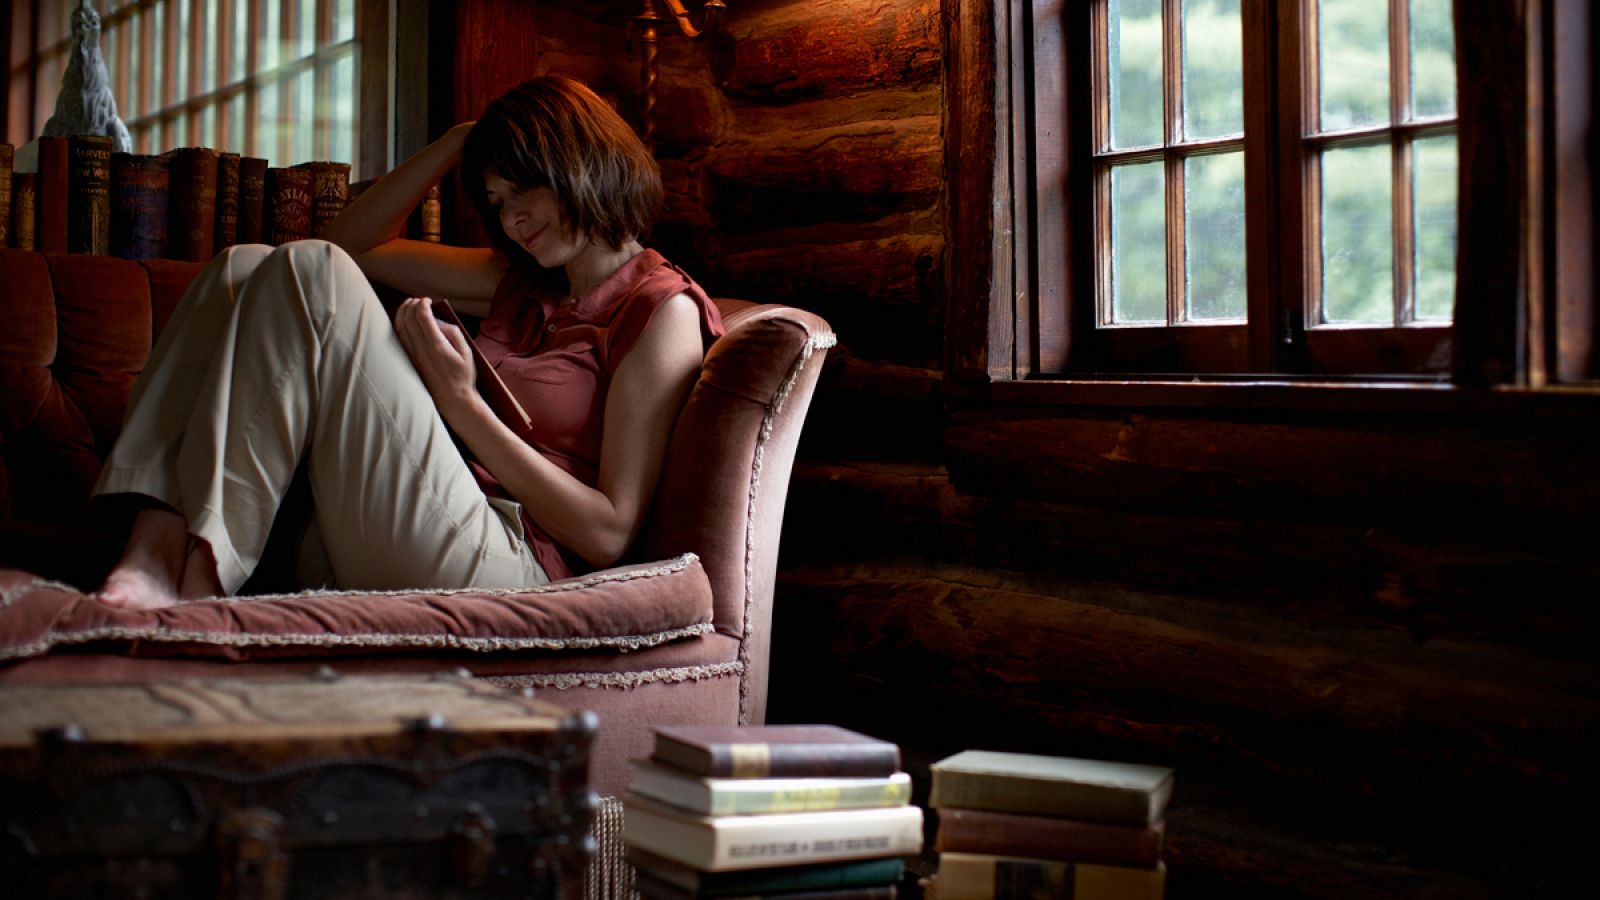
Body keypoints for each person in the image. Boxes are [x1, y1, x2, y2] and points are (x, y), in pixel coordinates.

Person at [93, 75, 723, 610]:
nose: (510, 220)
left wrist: (462, 405)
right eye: (496, 201)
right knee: (240, 267)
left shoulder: (660, 310)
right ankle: (154, 546)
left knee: (315, 272)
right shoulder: (518, 281)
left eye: (521, 189)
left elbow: (608, 533)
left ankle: (199, 585)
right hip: (395, 527)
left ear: (577, 164)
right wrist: (460, 140)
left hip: (511, 565)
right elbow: (351, 244)